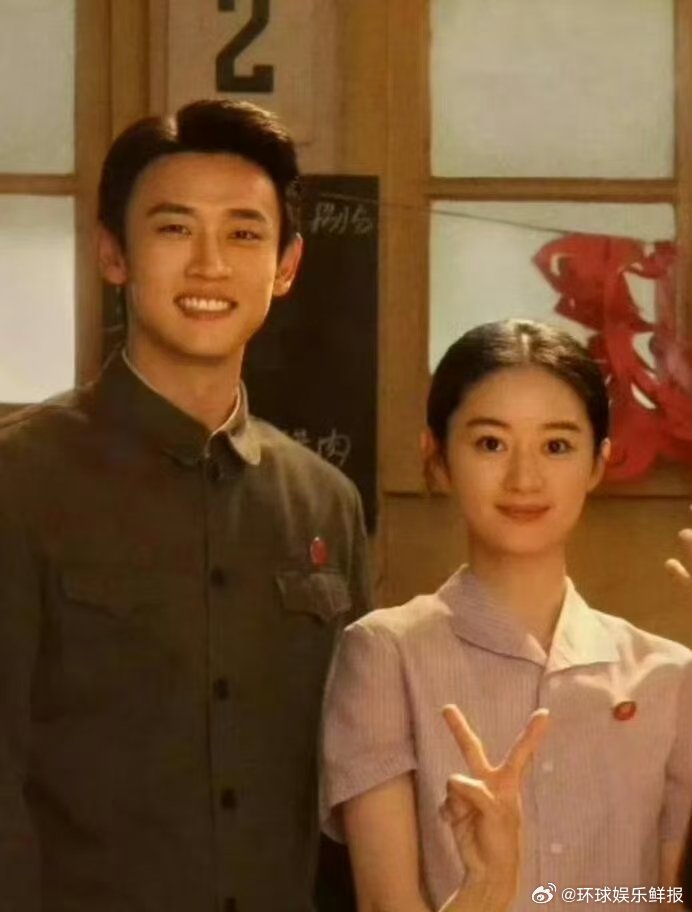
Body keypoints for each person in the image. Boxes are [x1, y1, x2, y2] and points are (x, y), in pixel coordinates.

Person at [0, 99, 370, 911]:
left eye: (243, 233)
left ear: (286, 265)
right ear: (112, 252)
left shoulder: (325, 503)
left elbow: (350, 780)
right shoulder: (19, 480)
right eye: (174, 229)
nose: (209, 265)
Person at [322, 319, 692, 911]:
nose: (525, 478)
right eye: (491, 443)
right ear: (436, 456)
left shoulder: (670, 676)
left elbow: (665, 895)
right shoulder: (386, 654)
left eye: (557, 446)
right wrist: (485, 888)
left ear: (598, 462)